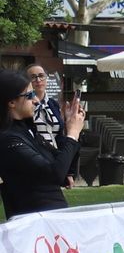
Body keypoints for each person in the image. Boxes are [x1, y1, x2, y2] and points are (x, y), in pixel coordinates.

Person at [0, 68, 83, 216]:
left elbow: (62, 167)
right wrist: (72, 134)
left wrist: (69, 128)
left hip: (52, 219)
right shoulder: (8, 139)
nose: (36, 100)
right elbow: (54, 173)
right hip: (35, 226)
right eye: (30, 95)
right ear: (11, 102)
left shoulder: (27, 130)